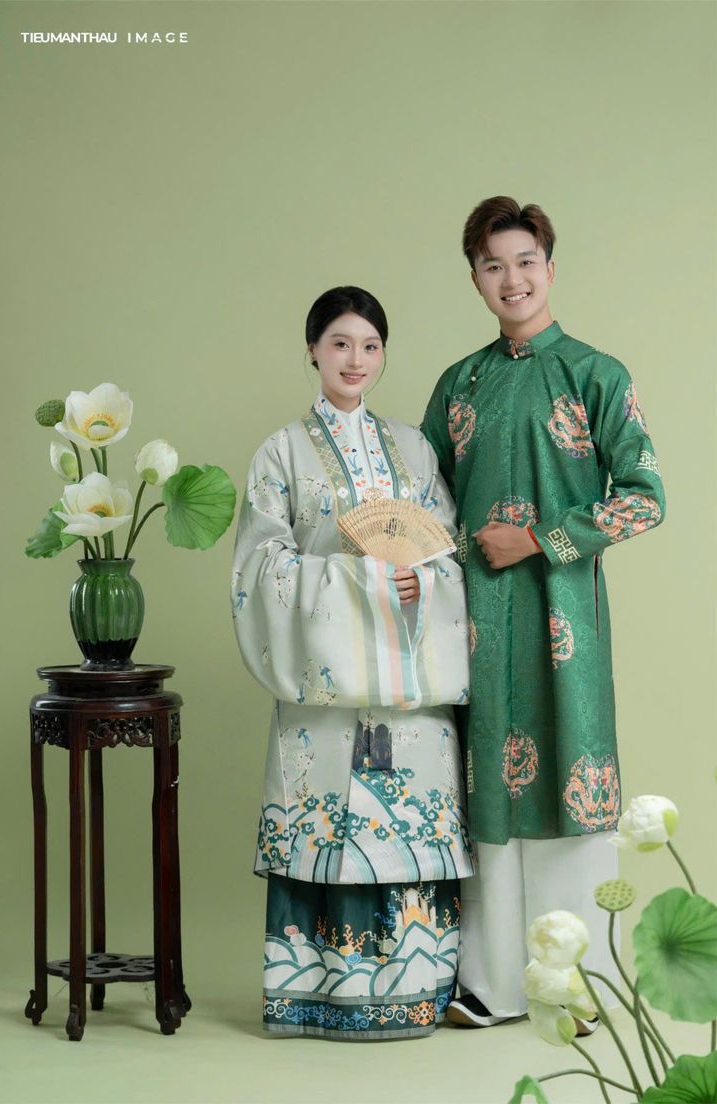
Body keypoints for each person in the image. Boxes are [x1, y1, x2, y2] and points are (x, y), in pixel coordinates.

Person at [422, 198, 666, 1029]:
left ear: (550, 268)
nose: (512, 279)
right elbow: (423, 502)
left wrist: (540, 539)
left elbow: (644, 497)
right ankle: (491, 986)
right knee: (485, 788)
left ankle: (579, 990)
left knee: (570, 781)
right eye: (493, 265)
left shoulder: (598, 375)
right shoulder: (460, 384)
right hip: (475, 620)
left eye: (525, 261)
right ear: (476, 279)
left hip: (563, 617)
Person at [231, 286, 474, 1041]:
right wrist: (360, 580)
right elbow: (260, 567)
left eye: (370, 346)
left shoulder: (414, 449)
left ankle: (418, 990)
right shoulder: (280, 452)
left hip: (412, 690)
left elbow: (446, 550)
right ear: (313, 350)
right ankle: (318, 999)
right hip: (325, 694)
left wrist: (423, 580)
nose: (355, 359)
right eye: (340, 343)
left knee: (407, 825)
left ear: (383, 355)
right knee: (329, 826)